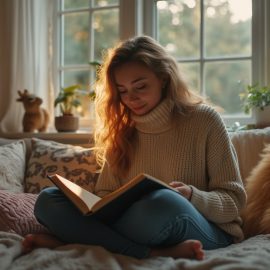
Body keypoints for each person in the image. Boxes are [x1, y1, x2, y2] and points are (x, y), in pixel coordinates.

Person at [22, 36, 246, 260]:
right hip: (141, 226)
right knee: (48, 200)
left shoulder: (204, 120)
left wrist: (190, 196)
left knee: (163, 202)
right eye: (123, 90)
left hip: (204, 228)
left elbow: (233, 202)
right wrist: (100, 204)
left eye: (140, 86)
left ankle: (74, 241)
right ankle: (153, 253)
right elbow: (104, 194)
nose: (132, 98)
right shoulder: (122, 129)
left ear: (164, 79)